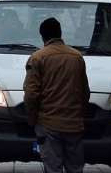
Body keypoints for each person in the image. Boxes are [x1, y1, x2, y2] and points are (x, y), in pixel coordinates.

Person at [23, 17, 90, 173]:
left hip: (49, 124)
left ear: (42, 36)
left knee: (53, 167)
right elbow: (85, 91)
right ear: (60, 33)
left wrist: (32, 119)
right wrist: (80, 115)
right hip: (74, 124)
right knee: (75, 167)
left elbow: (31, 94)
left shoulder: (38, 58)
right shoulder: (77, 57)